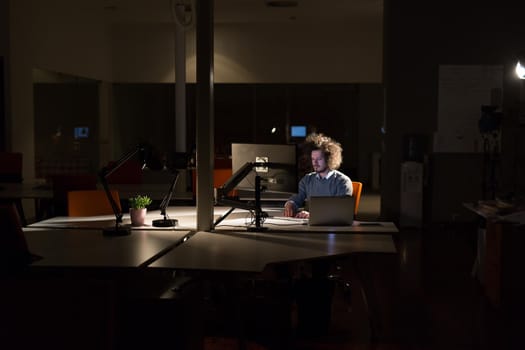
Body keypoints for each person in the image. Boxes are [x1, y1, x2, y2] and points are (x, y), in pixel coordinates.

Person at [284, 133, 353, 218]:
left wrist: (314, 215)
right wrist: (290, 203)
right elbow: (297, 198)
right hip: (309, 227)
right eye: (313, 159)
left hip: (333, 227)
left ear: (329, 159)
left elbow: (341, 210)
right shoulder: (307, 180)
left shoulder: (342, 181)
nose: (315, 163)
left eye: (319, 159)